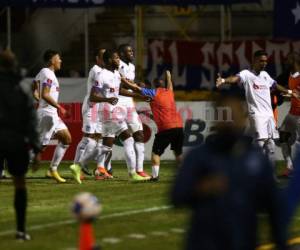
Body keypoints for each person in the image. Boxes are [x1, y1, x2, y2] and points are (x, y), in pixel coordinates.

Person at [171, 90, 287, 250]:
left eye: (234, 113)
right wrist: (202, 188)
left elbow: (273, 208)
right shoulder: (199, 156)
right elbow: (177, 196)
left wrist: (281, 243)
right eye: (224, 114)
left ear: (244, 116)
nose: (229, 120)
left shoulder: (257, 159)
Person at [73, 49, 149, 182]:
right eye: (116, 58)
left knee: (106, 146)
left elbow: (120, 90)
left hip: (113, 111)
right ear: (109, 60)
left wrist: (137, 95)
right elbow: (93, 96)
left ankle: (78, 165)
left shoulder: (116, 74)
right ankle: (133, 174)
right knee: (128, 139)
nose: (119, 60)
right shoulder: (101, 75)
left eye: (119, 58)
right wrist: (107, 100)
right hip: (108, 112)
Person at [216, 50, 297, 169]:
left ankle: (268, 173)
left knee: (271, 146)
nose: (264, 63)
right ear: (254, 61)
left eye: (265, 61)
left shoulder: (265, 75)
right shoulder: (247, 74)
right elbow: (235, 79)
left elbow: (275, 85)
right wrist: (223, 80)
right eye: (261, 61)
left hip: (269, 115)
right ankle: (248, 169)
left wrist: (290, 92)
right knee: (260, 144)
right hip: (257, 115)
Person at [0, 50, 41, 240]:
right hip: (16, 141)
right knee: (19, 184)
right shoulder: (21, 89)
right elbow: (31, 121)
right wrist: (37, 148)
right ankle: (21, 230)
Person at [70, 48, 108, 184]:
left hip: (99, 107)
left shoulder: (105, 72)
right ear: (97, 58)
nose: (106, 58)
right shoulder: (96, 70)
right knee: (88, 137)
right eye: (104, 56)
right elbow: (96, 93)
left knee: (98, 137)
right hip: (91, 107)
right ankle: (77, 167)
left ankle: (89, 165)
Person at [34, 49, 72, 183]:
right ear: (52, 60)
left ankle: (52, 170)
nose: (60, 60)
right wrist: (60, 107)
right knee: (39, 149)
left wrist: (36, 97)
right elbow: (45, 94)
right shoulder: (48, 74)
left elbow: (35, 87)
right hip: (47, 114)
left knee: (66, 139)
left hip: (50, 113)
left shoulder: (43, 72)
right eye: (58, 58)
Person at [138, 70, 184, 181]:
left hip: (166, 129)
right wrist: (168, 75)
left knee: (156, 153)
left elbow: (137, 89)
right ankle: (184, 174)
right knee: (178, 153)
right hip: (179, 126)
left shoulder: (153, 93)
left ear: (154, 86)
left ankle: (154, 176)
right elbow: (170, 84)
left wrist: (125, 81)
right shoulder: (169, 92)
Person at [118, 44, 150, 178]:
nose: (132, 53)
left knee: (139, 134)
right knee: (107, 139)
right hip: (117, 104)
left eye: (132, 50)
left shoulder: (131, 67)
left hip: (129, 104)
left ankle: (139, 170)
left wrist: (138, 85)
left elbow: (129, 83)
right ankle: (100, 168)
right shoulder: (118, 65)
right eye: (129, 51)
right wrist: (138, 91)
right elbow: (120, 86)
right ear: (121, 54)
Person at [278, 52, 300, 177]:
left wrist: (292, 93)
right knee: (283, 136)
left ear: (293, 60)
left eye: (288, 60)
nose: (286, 62)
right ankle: (290, 167)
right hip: (292, 113)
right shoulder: (291, 75)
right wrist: (289, 94)